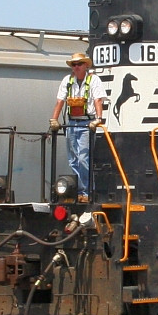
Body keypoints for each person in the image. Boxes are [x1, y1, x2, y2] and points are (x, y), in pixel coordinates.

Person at [49, 52, 106, 203]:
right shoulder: (67, 80)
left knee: (83, 158)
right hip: (71, 123)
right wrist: (54, 120)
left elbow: (98, 99)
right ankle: (79, 191)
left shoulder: (94, 80)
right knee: (73, 159)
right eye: (74, 65)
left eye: (79, 64)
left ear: (86, 65)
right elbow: (60, 101)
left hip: (87, 123)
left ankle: (87, 192)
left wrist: (98, 119)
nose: (76, 67)